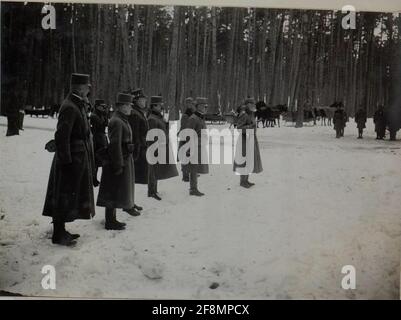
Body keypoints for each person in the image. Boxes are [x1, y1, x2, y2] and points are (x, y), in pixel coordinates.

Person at [42, 73, 96, 246]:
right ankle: (58, 234)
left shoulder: (77, 105)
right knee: (63, 195)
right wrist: (66, 162)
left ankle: (61, 230)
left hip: (76, 158)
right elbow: (62, 136)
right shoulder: (70, 107)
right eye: (87, 87)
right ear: (80, 88)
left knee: (68, 195)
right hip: (70, 160)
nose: (89, 89)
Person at [97, 93, 136, 230]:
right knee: (112, 191)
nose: (131, 107)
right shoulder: (117, 121)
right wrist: (118, 164)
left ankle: (112, 219)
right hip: (117, 160)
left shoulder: (122, 119)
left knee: (115, 190)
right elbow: (115, 145)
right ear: (123, 106)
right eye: (129, 105)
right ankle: (110, 221)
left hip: (123, 158)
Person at [147, 95, 179, 200]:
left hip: (159, 147)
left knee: (156, 170)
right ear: (154, 106)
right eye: (160, 105)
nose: (161, 107)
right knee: (152, 170)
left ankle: (154, 190)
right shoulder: (152, 118)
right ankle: (151, 191)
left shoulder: (158, 117)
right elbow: (152, 135)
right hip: (154, 148)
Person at [123, 88, 149, 215]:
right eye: (143, 99)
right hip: (135, 150)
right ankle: (128, 204)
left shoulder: (138, 112)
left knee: (132, 177)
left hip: (139, 148)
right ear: (136, 100)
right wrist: (136, 151)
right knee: (129, 177)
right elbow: (134, 135)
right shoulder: (134, 113)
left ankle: (130, 202)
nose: (145, 101)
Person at [233, 97, 263, 188]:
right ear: (247, 105)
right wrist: (251, 126)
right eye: (251, 104)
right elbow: (239, 128)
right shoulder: (244, 114)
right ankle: (242, 181)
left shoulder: (252, 114)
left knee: (250, 160)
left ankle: (246, 180)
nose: (254, 105)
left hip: (251, 139)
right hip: (244, 140)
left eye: (254, 104)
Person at [182, 97, 209, 196]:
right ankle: (193, 189)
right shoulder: (193, 118)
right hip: (194, 147)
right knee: (193, 168)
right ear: (198, 107)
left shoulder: (200, 117)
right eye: (203, 106)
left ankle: (194, 188)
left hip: (199, 146)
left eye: (206, 106)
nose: (205, 108)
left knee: (196, 168)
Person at [90, 99, 109, 186]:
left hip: (101, 137)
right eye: (102, 106)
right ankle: (93, 178)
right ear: (97, 106)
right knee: (96, 160)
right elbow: (101, 124)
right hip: (96, 138)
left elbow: (106, 124)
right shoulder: (94, 115)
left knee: (100, 160)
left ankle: (95, 178)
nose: (104, 108)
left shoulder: (100, 114)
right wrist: (105, 115)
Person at [179, 97, 196, 182]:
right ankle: (185, 175)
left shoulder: (192, 113)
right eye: (189, 103)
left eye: (191, 103)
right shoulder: (186, 115)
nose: (190, 104)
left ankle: (191, 172)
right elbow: (183, 127)